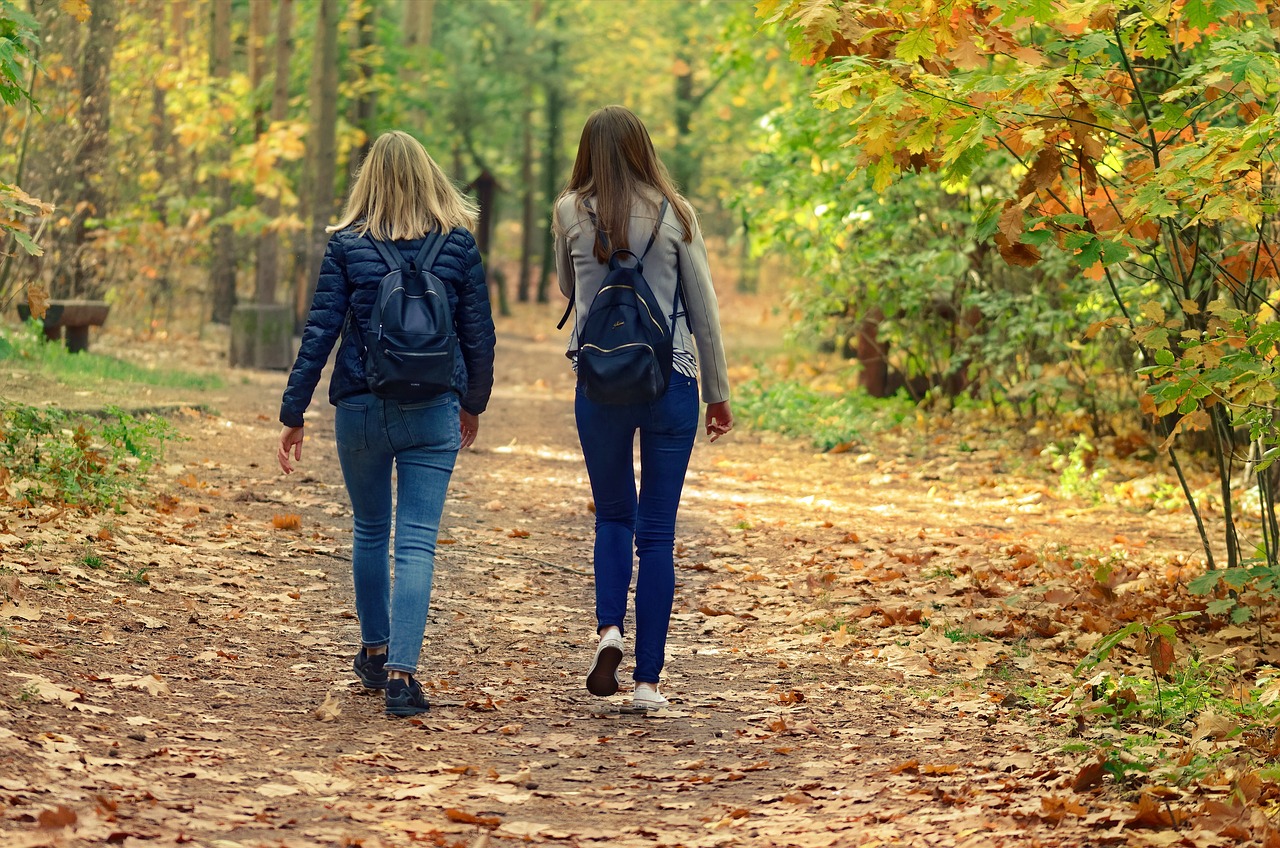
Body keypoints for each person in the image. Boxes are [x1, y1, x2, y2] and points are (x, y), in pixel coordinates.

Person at [277, 130, 495, 718]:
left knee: (371, 530)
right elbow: (479, 332)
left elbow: (319, 331)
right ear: (430, 178)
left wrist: (293, 411)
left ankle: (373, 651)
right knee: (417, 541)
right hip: (433, 409)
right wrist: (472, 401)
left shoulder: (347, 245)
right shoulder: (458, 246)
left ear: (369, 180)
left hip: (361, 408)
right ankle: (402, 676)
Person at [554, 105, 733, 711]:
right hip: (671, 378)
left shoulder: (568, 212)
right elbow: (702, 308)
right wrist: (718, 391)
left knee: (612, 514)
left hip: (599, 383)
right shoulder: (675, 212)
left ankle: (609, 630)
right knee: (657, 532)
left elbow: (566, 288)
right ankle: (648, 684)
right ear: (642, 148)